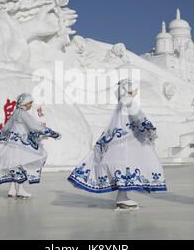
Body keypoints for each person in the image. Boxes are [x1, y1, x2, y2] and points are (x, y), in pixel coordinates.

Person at [67, 79, 167, 210]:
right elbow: (138, 117)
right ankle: (122, 197)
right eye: (136, 89)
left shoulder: (122, 101)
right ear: (131, 89)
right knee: (140, 163)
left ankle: (123, 196)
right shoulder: (129, 101)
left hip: (122, 139)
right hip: (128, 141)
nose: (137, 91)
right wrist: (149, 128)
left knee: (125, 166)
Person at [0, 93, 61, 198]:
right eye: (29, 103)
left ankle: (12, 189)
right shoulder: (23, 114)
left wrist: (0, 136)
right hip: (20, 144)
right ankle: (20, 190)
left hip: (12, 143)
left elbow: (7, 127)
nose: (31, 105)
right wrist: (52, 133)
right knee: (21, 164)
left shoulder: (16, 112)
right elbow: (35, 126)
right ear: (24, 103)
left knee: (14, 165)